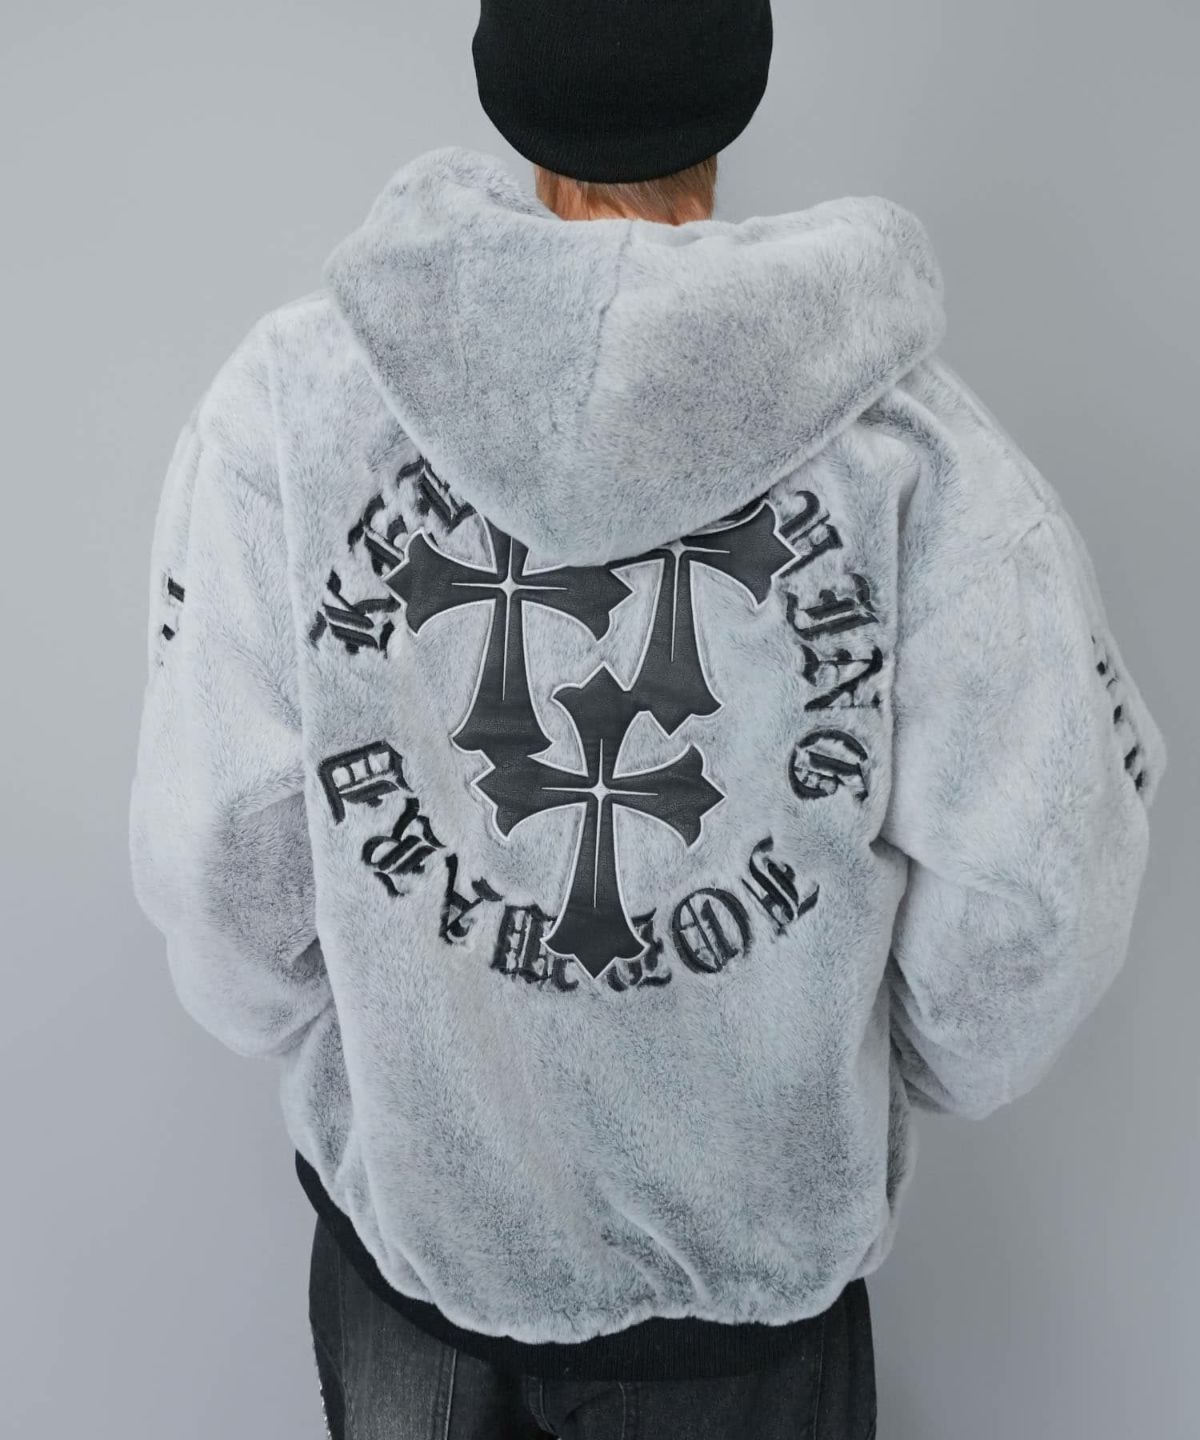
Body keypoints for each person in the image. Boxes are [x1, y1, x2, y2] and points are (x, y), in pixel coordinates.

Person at [127, 1, 1166, 1436]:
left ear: (506, 85)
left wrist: (389, 1060)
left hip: (418, 1249)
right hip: (748, 1299)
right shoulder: (925, 460)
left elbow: (222, 860)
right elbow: (1038, 890)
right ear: (736, 90)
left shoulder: (290, 414)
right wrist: (857, 1075)